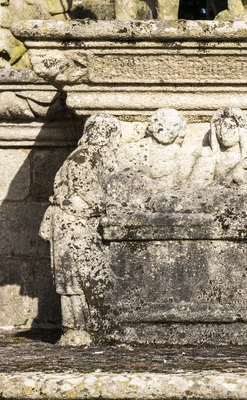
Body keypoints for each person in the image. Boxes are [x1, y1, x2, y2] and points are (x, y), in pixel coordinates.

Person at [40, 114, 121, 346]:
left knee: (82, 276)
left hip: (76, 223)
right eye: (115, 137)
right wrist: (114, 205)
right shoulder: (85, 157)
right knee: (74, 277)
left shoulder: (88, 156)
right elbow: (88, 194)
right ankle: (77, 328)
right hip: (72, 225)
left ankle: (86, 326)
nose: (116, 143)